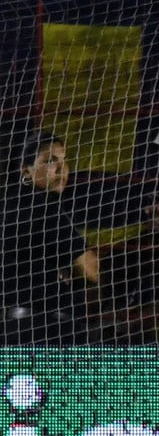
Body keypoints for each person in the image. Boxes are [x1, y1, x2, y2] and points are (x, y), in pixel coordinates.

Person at [1, 131, 100, 345]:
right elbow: (90, 271)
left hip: (11, 327)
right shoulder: (48, 210)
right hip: (51, 331)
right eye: (50, 161)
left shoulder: (7, 206)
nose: (61, 169)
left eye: (64, 161)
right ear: (26, 170)